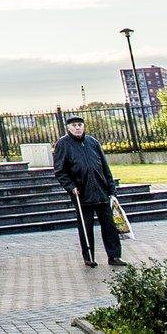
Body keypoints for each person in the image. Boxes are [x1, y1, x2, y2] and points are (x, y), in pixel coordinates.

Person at [52, 115, 125, 268]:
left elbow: (105, 167)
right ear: (68, 128)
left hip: (101, 190)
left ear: (84, 126)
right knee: (86, 226)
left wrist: (111, 188)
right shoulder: (63, 144)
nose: (77, 128)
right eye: (74, 125)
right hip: (81, 193)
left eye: (80, 124)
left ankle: (114, 256)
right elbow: (60, 170)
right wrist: (70, 187)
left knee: (109, 226)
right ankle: (89, 257)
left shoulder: (93, 142)